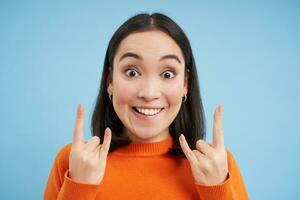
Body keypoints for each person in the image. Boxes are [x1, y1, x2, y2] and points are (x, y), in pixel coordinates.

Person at [43, 13, 248, 200]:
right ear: (109, 81)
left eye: (167, 74)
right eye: (132, 72)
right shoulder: (72, 162)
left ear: (186, 84)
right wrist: (79, 189)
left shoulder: (219, 165)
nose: (149, 93)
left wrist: (216, 192)